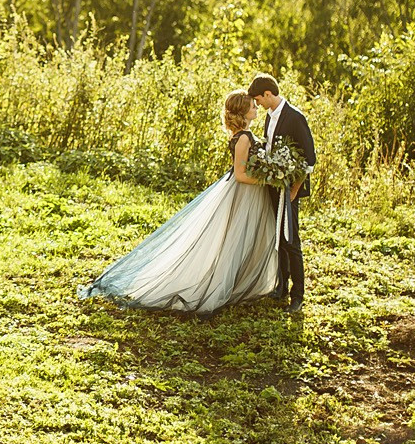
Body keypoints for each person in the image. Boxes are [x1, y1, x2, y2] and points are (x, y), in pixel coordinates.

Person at [79, 90, 281, 314]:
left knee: (242, 237)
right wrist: (268, 179)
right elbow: (240, 175)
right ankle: (223, 284)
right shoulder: (243, 138)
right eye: (252, 106)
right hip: (244, 192)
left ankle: (240, 281)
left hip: (250, 193)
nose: (256, 108)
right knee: (234, 238)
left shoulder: (244, 135)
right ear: (243, 111)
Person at [249, 73, 316, 313]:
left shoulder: (296, 117)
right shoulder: (270, 115)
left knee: (291, 239)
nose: (257, 105)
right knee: (277, 236)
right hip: (273, 186)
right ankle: (281, 287)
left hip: (290, 190)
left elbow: (310, 158)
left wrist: (294, 189)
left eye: (258, 99)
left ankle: (298, 296)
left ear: (268, 94)